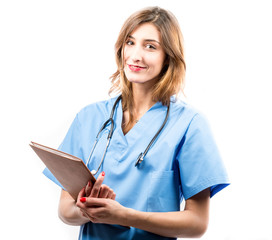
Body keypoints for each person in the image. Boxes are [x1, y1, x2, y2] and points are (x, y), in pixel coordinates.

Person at [43, 6, 229, 240]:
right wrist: (89, 208)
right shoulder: (89, 118)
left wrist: (123, 216)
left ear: (168, 57)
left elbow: (197, 223)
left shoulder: (189, 125)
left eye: (150, 46)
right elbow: (65, 211)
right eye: (130, 43)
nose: (135, 55)